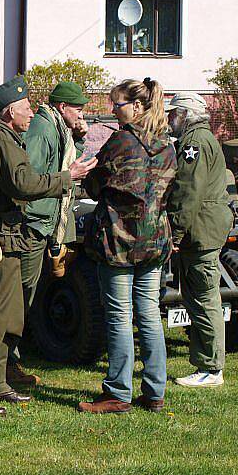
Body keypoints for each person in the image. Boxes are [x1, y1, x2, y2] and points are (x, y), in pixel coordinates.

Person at [0, 76, 97, 416]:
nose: (31, 114)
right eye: (26, 108)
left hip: (8, 239)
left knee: (12, 317)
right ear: (8, 112)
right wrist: (67, 177)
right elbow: (23, 184)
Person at [77, 78, 176, 415]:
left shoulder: (121, 141)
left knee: (119, 316)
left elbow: (94, 185)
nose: (112, 111)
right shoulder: (166, 144)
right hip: (155, 241)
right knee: (148, 313)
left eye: (116, 105)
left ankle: (118, 393)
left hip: (120, 242)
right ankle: (155, 392)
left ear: (136, 106)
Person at [7, 81, 91, 387]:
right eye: (78, 108)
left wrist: (78, 141)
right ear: (62, 107)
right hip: (34, 223)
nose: (82, 114)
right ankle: (7, 364)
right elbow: (32, 178)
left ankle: (8, 361)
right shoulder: (43, 130)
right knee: (20, 298)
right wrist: (71, 176)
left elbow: (63, 162)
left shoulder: (56, 128)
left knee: (26, 295)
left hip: (44, 222)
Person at [166, 91, 233, 388]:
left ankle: (210, 367)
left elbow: (187, 191)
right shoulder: (203, 139)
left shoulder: (194, 142)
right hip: (206, 226)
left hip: (201, 230)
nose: (169, 119)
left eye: (173, 114)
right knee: (203, 297)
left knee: (204, 299)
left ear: (184, 114)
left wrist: (175, 232)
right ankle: (209, 364)